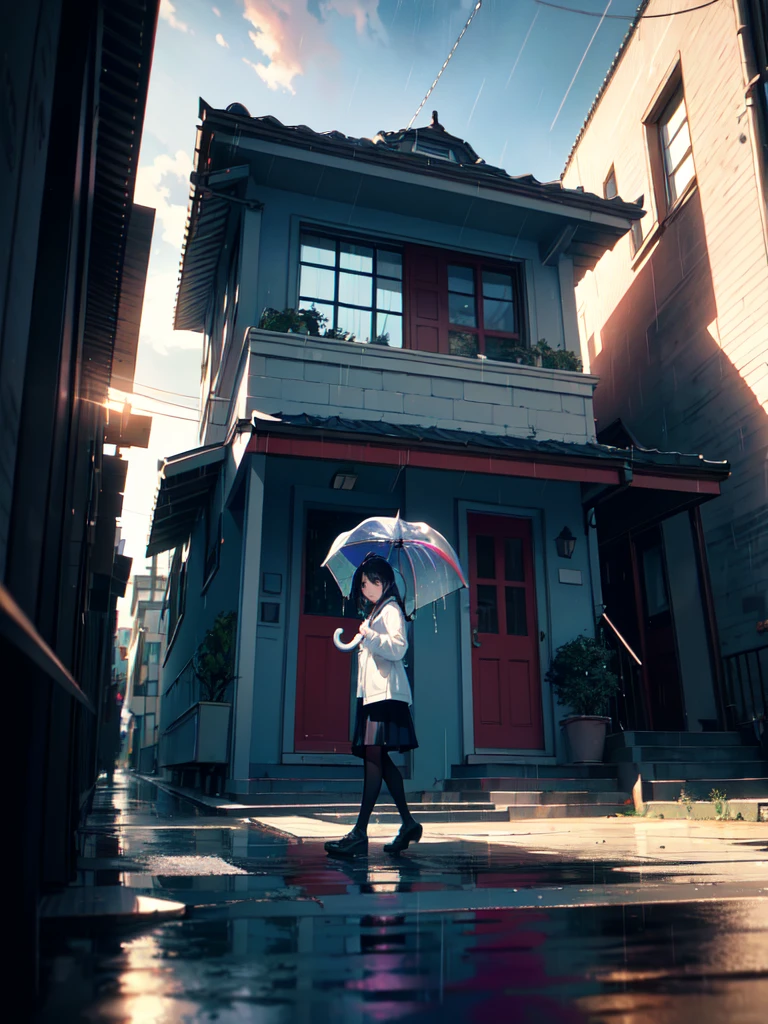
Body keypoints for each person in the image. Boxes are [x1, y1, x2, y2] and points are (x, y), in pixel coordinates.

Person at [324, 554, 422, 858]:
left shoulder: (391, 609)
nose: (365, 590)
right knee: (377, 759)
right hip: (373, 695)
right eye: (363, 585)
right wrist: (365, 634)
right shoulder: (377, 612)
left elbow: (398, 648)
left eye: (369, 583)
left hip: (385, 696)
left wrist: (371, 635)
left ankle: (359, 833)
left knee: (373, 758)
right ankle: (407, 823)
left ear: (384, 582)